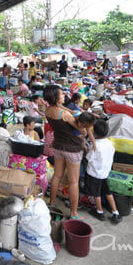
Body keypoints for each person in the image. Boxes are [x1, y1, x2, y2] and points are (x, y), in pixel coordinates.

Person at [44, 85, 95, 219]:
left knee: (57, 176)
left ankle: (52, 203)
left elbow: (66, 111)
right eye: (61, 94)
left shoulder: (48, 109)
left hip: (58, 146)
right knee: (73, 182)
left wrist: (76, 112)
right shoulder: (64, 114)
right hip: (72, 148)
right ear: (55, 97)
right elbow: (82, 129)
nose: (64, 96)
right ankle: (73, 213)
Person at [85, 119, 122, 224]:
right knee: (107, 192)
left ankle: (99, 211)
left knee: (97, 194)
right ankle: (115, 212)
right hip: (105, 173)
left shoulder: (95, 146)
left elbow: (89, 158)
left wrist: (87, 149)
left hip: (95, 174)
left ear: (94, 132)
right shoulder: (110, 143)